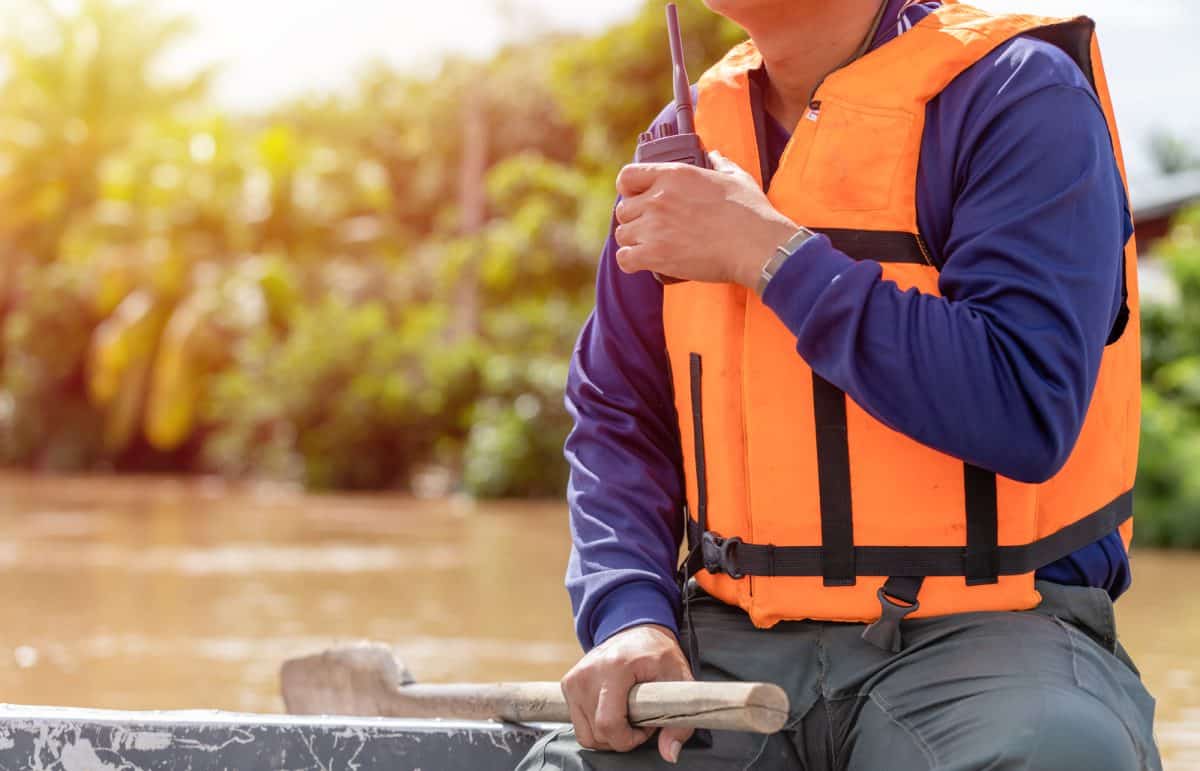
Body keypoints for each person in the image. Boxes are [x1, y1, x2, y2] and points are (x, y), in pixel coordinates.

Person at [518, 0, 1160, 768]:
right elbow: (620, 416)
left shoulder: (1022, 96)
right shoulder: (685, 138)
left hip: (993, 629)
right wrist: (627, 615)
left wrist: (769, 254)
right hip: (726, 639)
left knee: (1054, 755)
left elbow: (1024, 405)